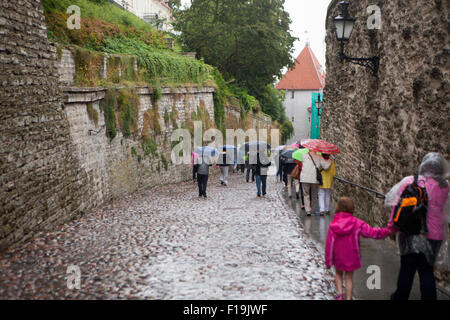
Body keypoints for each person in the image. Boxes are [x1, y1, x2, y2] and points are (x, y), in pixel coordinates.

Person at [387, 152, 449, 300]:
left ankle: (400, 297)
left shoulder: (410, 181)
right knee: (427, 271)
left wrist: (392, 227)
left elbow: (396, 205)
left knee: (407, 269)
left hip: (410, 233)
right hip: (434, 236)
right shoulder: (445, 186)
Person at [325, 197, 391, 300]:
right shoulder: (357, 223)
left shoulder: (334, 225)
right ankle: (349, 297)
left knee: (338, 274)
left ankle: (340, 295)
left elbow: (330, 243)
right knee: (349, 277)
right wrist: (387, 231)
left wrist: (328, 260)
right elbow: (371, 232)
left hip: (338, 255)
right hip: (352, 255)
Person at [300, 151, 332, 216]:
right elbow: (325, 167)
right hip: (314, 178)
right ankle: (313, 210)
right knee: (314, 195)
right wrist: (329, 161)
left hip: (304, 178)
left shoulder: (303, 155)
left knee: (306, 194)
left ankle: (307, 210)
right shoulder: (319, 157)